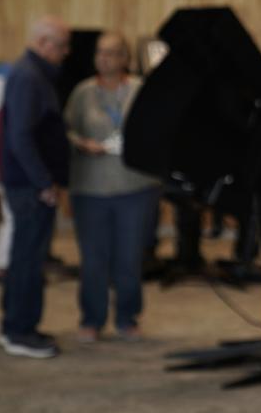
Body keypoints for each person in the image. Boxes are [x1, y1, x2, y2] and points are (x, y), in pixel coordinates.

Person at [64, 31, 160, 343]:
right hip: (91, 189)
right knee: (93, 259)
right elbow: (65, 131)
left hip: (134, 186)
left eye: (112, 53)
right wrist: (82, 142)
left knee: (129, 257)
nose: (104, 58)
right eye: (100, 53)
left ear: (125, 58)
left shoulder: (140, 90)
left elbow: (155, 129)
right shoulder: (82, 93)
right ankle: (91, 319)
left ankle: (127, 317)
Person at [0, 16, 71, 359]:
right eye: (63, 45)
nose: (66, 52)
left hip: (28, 182)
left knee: (25, 256)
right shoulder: (29, 76)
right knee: (29, 258)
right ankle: (19, 331)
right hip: (29, 186)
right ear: (44, 44)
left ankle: (15, 324)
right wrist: (43, 182)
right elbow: (21, 137)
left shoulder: (33, 73)